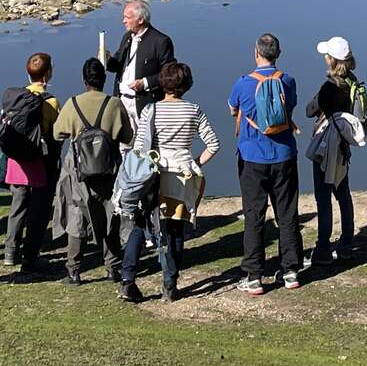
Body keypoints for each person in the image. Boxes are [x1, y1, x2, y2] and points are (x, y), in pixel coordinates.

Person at [119, 60, 219, 303]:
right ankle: (170, 284)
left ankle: (128, 280)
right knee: (175, 230)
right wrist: (195, 162)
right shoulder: (194, 110)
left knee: (141, 226)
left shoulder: (150, 110)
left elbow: (140, 147)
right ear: (186, 85)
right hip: (181, 178)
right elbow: (213, 144)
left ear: (162, 83)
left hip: (152, 177)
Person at [228, 33, 303, 296]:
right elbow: (290, 107)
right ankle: (291, 270)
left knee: (254, 215)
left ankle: (254, 275)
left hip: (252, 157)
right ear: (278, 54)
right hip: (284, 155)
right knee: (287, 213)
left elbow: (233, 109)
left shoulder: (243, 83)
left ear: (256, 52)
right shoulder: (288, 81)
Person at [52, 58, 133, 285]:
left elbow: (57, 133)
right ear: (104, 80)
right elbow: (128, 137)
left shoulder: (72, 103)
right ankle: (112, 268)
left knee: (77, 215)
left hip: (79, 170)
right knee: (110, 214)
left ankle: (74, 271)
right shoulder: (115, 104)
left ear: (83, 79)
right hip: (109, 168)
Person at [306, 36, 362, 265]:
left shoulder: (330, 86)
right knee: (343, 194)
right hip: (342, 147)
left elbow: (310, 110)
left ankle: (323, 249)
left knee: (323, 197)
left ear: (332, 60)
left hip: (326, 147)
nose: (325, 58)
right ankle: (346, 244)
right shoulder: (353, 82)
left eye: (327, 55)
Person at [3, 52, 60, 275]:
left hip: (17, 160)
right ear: (47, 74)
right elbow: (56, 132)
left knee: (17, 204)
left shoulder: (16, 98)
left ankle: (10, 252)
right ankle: (30, 257)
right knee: (38, 211)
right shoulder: (51, 101)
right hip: (38, 161)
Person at [106, 0, 174, 134]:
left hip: (144, 102)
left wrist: (145, 83)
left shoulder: (161, 41)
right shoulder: (127, 37)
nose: (124, 21)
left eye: (127, 17)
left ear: (141, 20)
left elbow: (169, 74)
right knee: (123, 142)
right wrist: (106, 59)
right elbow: (116, 65)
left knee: (146, 143)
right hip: (122, 100)